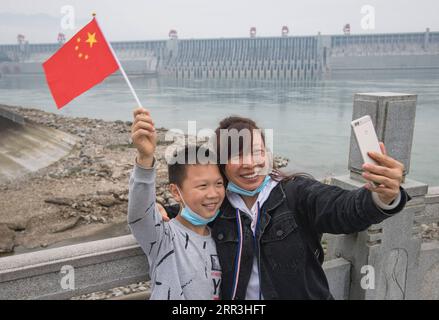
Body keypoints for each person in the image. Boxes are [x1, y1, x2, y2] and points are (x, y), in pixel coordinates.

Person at [208, 116, 410, 300]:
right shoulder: (214, 209)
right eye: (237, 155)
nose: (250, 164)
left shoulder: (297, 194)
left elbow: (342, 208)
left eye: (257, 152)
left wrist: (380, 196)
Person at [128, 107, 224, 300]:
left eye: (219, 184)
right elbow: (140, 214)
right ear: (175, 192)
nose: (213, 194)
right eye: (202, 186)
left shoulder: (221, 237)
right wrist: (145, 158)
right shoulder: (164, 237)